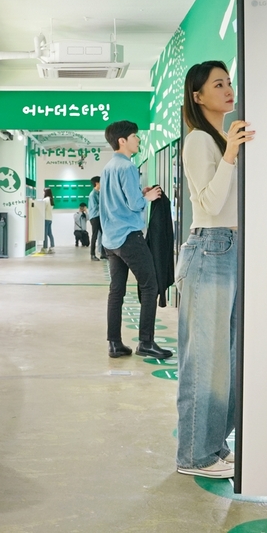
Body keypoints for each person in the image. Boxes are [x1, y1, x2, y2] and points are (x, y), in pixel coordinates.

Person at [174, 61, 253, 479]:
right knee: (204, 358)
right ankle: (193, 456)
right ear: (197, 95)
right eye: (218, 84)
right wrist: (231, 155)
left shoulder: (221, 137)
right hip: (211, 248)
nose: (228, 89)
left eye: (229, 82)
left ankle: (214, 445)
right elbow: (210, 204)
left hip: (232, 249)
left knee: (226, 357)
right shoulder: (199, 142)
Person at [100, 120, 173, 360]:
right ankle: (146, 342)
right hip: (129, 237)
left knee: (116, 292)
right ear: (123, 140)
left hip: (111, 239)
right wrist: (149, 197)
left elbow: (117, 201)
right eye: (135, 136)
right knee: (150, 285)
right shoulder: (128, 167)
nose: (138, 140)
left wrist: (140, 195)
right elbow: (134, 204)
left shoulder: (110, 167)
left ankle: (114, 344)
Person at [87, 176, 105, 261]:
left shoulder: (99, 193)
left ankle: (103, 254)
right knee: (95, 236)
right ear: (97, 183)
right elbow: (95, 207)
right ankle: (92, 254)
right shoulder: (92, 194)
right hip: (94, 217)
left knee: (104, 235)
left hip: (99, 216)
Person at [41, 187, 55, 254]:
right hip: (50, 219)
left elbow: (42, 208)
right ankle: (52, 247)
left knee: (45, 234)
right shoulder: (51, 200)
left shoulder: (45, 200)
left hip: (45, 218)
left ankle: (45, 247)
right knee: (50, 234)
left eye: (44, 191)